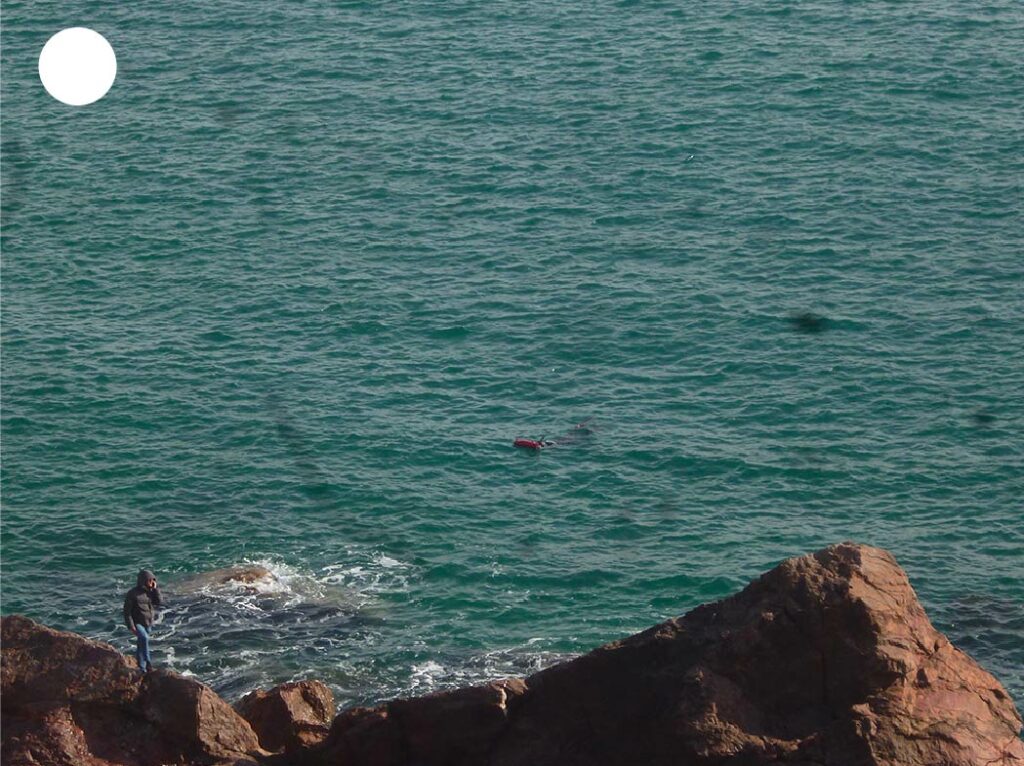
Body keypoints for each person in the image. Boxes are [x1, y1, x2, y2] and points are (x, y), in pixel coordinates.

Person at [123, 569, 162, 672]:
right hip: (137, 622)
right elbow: (127, 612)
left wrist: (156, 589)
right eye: (150, 580)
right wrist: (131, 626)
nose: (152, 582)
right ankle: (148, 662)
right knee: (144, 638)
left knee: (141, 644)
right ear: (143, 580)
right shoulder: (132, 593)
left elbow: (158, 602)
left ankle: (141, 667)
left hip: (148, 622)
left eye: (153, 580)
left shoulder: (151, 591)